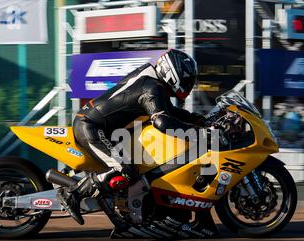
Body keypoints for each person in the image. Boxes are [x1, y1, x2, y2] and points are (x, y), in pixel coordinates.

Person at [60, 49, 206, 225]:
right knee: (125, 170)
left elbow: (170, 111)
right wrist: (198, 133)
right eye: (187, 79)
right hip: (91, 126)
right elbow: (162, 121)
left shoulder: (152, 82)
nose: (188, 84)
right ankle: (72, 194)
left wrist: (199, 119)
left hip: (104, 128)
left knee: (135, 166)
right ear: (173, 73)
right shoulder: (152, 87)